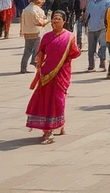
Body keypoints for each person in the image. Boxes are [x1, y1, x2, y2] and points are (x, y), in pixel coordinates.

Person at [25, 11, 80, 144]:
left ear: (64, 21)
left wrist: (61, 61)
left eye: (58, 19)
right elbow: (41, 52)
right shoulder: (46, 37)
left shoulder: (69, 37)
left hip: (61, 73)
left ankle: (58, 123)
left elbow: (75, 53)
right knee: (44, 100)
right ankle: (47, 130)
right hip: (46, 73)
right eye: (53, 19)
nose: (55, 21)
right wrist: (40, 62)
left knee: (58, 99)